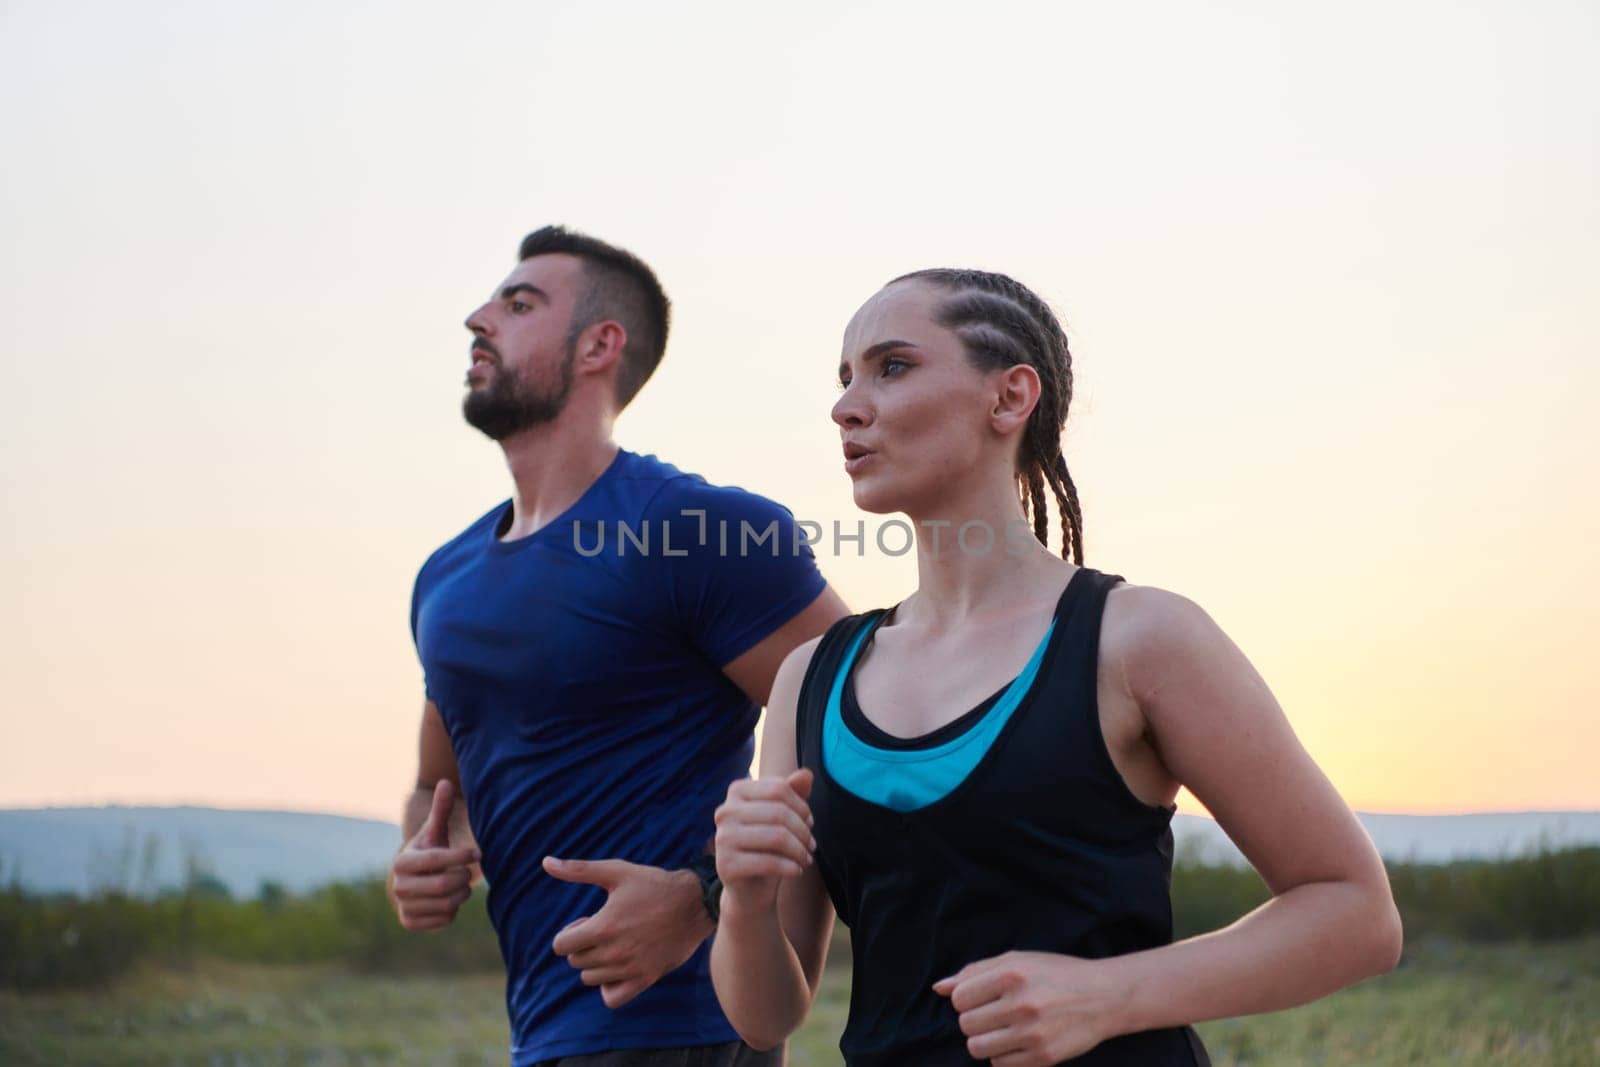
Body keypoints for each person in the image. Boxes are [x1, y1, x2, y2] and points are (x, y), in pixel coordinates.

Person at [708, 268, 1403, 1065]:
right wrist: (746, 900)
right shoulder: (811, 677)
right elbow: (766, 1017)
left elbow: (1357, 914)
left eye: (891, 366)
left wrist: (1109, 996)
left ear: (1009, 398)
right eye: (843, 378)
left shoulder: (1137, 638)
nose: (845, 406)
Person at [391, 225, 850, 1067]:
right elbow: (435, 785)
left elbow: (869, 733)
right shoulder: (445, 578)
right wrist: (427, 851)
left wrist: (706, 896)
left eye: (519, 303)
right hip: (540, 1031)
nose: (476, 319)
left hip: (690, 1026)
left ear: (601, 344)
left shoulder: (696, 531)